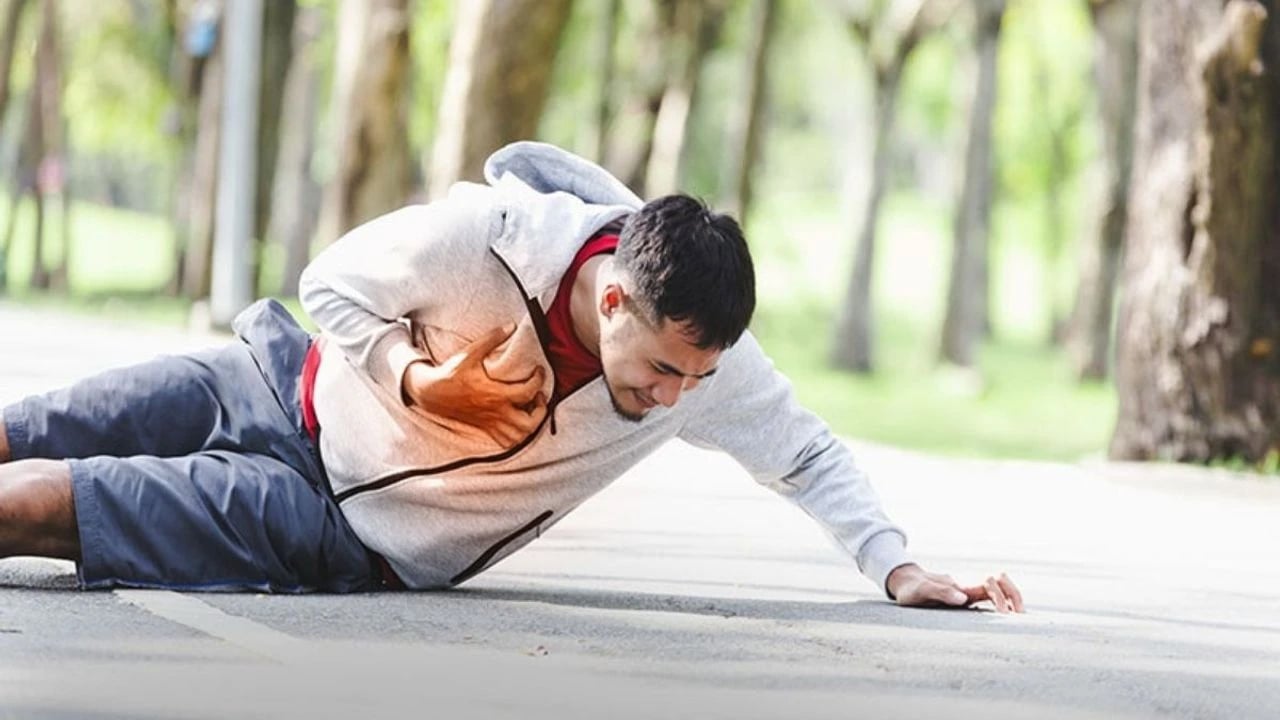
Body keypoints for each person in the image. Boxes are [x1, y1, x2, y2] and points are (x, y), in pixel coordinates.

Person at [0, 142, 1023, 611]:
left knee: (40, 503)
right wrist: (413, 380)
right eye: (664, 370)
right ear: (614, 300)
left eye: (698, 378)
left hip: (336, 526)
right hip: (277, 379)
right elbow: (330, 283)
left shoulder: (705, 365)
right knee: (28, 426)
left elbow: (805, 454)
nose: (677, 397)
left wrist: (896, 566)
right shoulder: (489, 237)